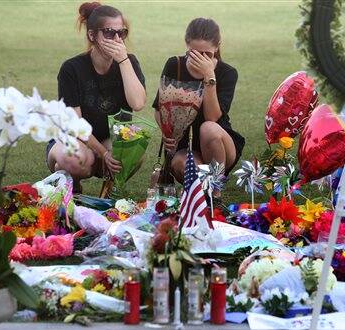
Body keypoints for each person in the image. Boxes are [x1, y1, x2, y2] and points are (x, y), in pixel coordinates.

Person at [47, 2, 146, 193]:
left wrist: (124, 61)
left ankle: (108, 191)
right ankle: (71, 185)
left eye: (121, 33)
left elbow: (138, 103)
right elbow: (74, 124)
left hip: (111, 137)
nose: (117, 39)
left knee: (135, 146)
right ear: (92, 35)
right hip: (74, 138)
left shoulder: (129, 61)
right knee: (74, 159)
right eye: (109, 32)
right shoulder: (72, 68)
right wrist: (102, 153)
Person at [153, 18, 245, 183]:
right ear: (187, 45)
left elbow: (212, 117)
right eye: (194, 53)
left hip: (219, 145)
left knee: (208, 128)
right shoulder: (175, 64)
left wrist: (209, 76)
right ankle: (201, 194)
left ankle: (215, 191)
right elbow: (159, 108)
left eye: (207, 54)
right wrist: (167, 133)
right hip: (186, 146)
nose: (200, 59)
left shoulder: (227, 73)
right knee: (185, 166)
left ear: (217, 47)